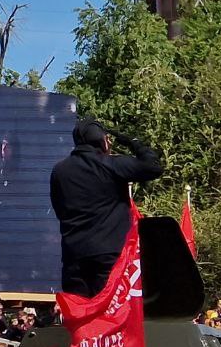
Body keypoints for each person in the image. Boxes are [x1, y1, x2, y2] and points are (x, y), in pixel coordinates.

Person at [49, 118, 162, 297]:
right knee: (110, 313)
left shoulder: (59, 171)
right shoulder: (111, 165)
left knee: (82, 313)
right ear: (102, 140)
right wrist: (134, 144)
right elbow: (153, 167)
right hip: (109, 256)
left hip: (74, 257)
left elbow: (58, 208)